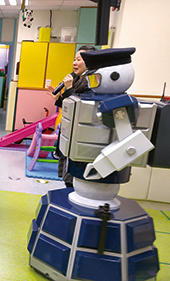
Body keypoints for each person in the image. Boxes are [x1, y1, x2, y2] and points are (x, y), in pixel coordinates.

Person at [46, 45, 97, 188]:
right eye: (74, 59)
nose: (74, 63)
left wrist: (68, 89)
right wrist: (58, 98)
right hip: (69, 133)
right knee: (67, 177)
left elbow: (81, 108)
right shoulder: (77, 79)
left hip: (80, 137)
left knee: (75, 180)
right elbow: (70, 107)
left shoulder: (92, 82)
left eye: (79, 59)